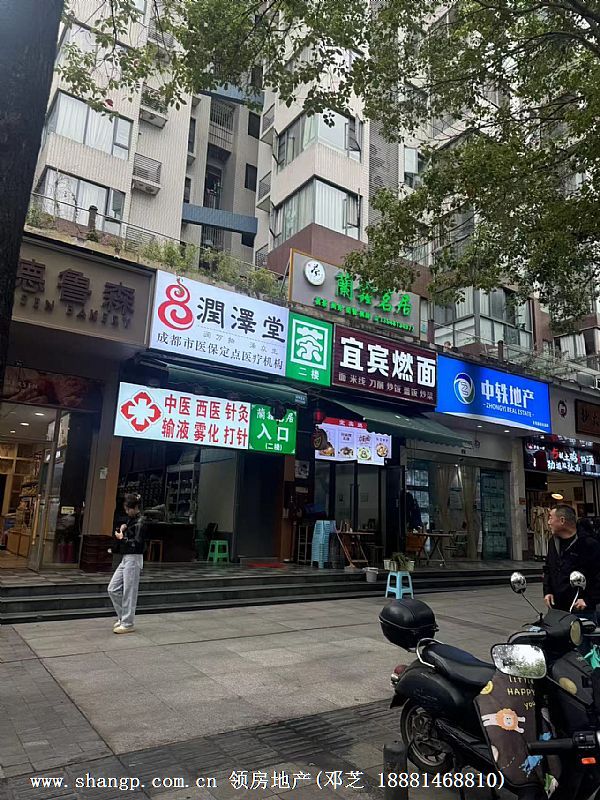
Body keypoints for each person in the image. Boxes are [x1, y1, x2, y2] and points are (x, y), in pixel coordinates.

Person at [543, 504, 600, 622]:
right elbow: (548, 568)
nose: (548, 522)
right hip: (556, 608)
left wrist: (589, 600)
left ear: (562, 520)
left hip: (580, 608)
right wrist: (548, 591)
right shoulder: (553, 542)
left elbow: (598, 575)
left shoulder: (589, 544)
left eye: (551, 518)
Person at [107, 493, 146, 634]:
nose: (126, 511)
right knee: (112, 588)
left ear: (134, 508)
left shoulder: (141, 521)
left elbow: (137, 544)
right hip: (126, 557)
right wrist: (124, 530)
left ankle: (128, 623)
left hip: (134, 558)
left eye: (128, 509)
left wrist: (122, 538)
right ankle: (123, 617)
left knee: (130, 591)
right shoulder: (131, 520)